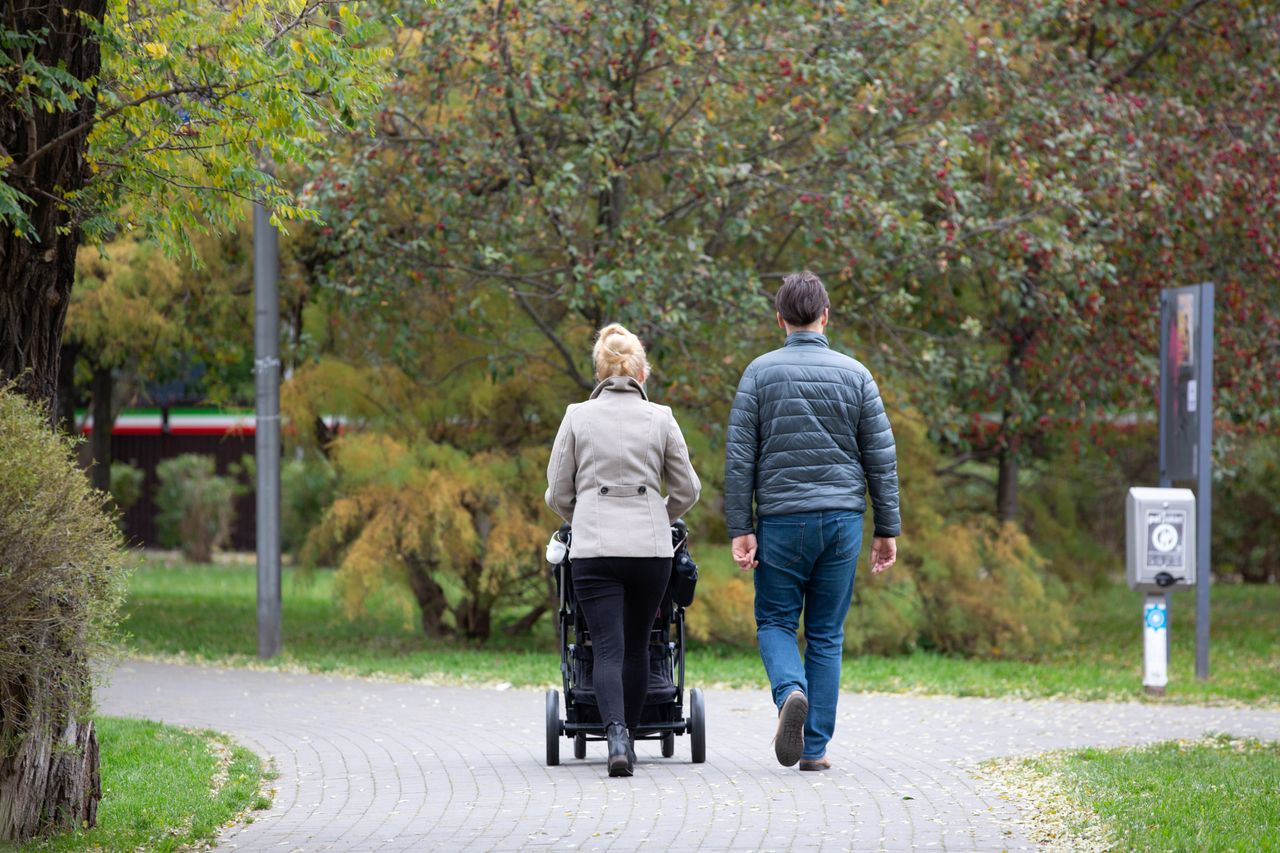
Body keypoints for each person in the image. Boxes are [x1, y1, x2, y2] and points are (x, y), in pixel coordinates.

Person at [724, 271, 900, 771]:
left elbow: (740, 458)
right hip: (842, 522)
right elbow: (881, 459)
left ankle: (790, 693)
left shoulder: (758, 373)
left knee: (776, 621)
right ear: (826, 315)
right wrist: (887, 529)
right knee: (825, 634)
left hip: (781, 522)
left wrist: (741, 526)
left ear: (780, 319)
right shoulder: (857, 374)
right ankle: (815, 748)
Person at [545, 323, 701, 777]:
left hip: (594, 549)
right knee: (637, 646)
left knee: (607, 648)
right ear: (641, 372)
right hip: (650, 550)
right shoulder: (662, 418)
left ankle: (613, 736)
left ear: (599, 371)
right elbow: (688, 488)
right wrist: (660, 514)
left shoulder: (577, 416)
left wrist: (585, 515)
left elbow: (557, 492)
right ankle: (629, 737)